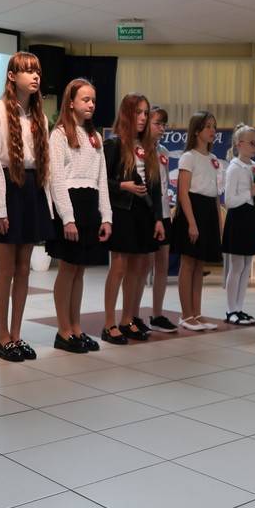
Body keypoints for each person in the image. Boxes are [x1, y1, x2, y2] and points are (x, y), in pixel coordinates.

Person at [0, 52, 53, 361]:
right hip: (8, 189)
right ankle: (2, 337)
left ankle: (17, 335)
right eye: (28, 71)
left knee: (24, 269)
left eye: (38, 71)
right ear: (12, 76)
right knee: (7, 268)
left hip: (32, 190)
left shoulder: (39, 116)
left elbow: (46, 166)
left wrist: (48, 206)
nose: (35, 76)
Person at [46, 78, 112, 353]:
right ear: (71, 102)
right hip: (70, 205)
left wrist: (106, 216)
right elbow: (56, 179)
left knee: (80, 270)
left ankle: (76, 327)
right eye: (85, 99)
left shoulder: (95, 137)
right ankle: (63, 330)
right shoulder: (60, 134)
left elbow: (102, 178)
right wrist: (67, 217)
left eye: (93, 100)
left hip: (90, 205)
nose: (91, 104)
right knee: (68, 268)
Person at [102, 93, 165, 344]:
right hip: (122, 211)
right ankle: (109, 323)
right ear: (127, 114)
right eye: (138, 112)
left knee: (138, 268)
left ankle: (128, 320)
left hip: (144, 213)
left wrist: (158, 218)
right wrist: (123, 186)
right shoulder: (114, 144)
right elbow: (102, 182)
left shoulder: (149, 147)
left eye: (145, 113)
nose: (142, 117)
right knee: (118, 268)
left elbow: (155, 187)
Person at [171, 110, 222, 331]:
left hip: (208, 210)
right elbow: (183, 192)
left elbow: (215, 194)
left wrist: (218, 223)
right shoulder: (188, 157)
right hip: (192, 210)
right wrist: (191, 223)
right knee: (188, 263)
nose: (213, 130)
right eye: (208, 126)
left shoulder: (213, 159)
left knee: (200, 264)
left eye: (214, 126)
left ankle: (197, 313)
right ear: (197, 130)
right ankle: (185, 315)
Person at [221, 124, 255, 325]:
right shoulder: (234, 168)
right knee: (237, 265)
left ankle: (239, 308)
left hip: (252, 217)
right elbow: (229, 201)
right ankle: (231, 310)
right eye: (252, 143)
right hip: (238, 217)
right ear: (239, 144)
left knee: (247, 266)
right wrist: (250, 193)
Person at [145, 106, 179, 332]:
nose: (162, 128)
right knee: (143, 267)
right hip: (148, 214)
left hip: (165, 213)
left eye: (164, 124)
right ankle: (132, 315)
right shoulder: (140, 150)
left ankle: (157, 314)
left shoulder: (163, 151)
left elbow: (165, 184)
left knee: (162, 266)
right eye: (157, 124)